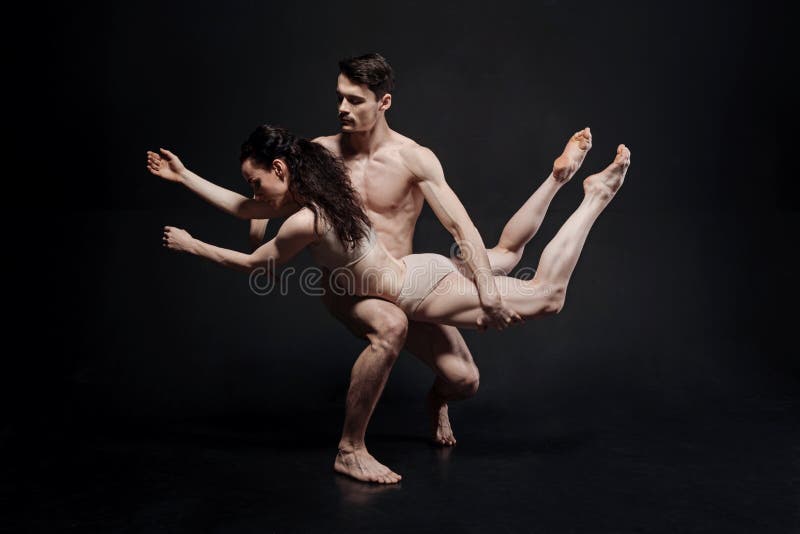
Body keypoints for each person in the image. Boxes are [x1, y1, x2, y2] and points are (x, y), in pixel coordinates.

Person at [146, 53, 598, 485]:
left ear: (384, 102)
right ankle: (350, 448)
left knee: (468, 372)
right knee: (400, 321)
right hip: (358, 289)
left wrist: (490, 294)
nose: (341, 108)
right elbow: (259, 200)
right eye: (339, 97)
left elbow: (460, 227)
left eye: (354, 99)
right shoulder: (320, 156)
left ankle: (559, 181)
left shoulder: (410, 158)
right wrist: (196, 183)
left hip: (409, 277)